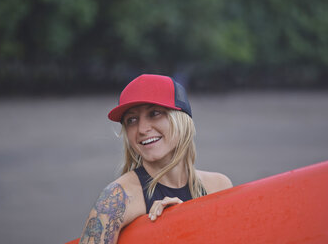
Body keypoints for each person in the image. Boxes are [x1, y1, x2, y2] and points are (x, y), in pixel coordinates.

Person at [79, 74, 232, 244]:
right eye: (131, 120)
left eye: (155, 113)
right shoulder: (116, 200)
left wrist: (188, 222)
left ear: (181, 119)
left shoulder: (219, 187)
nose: (142, 129)